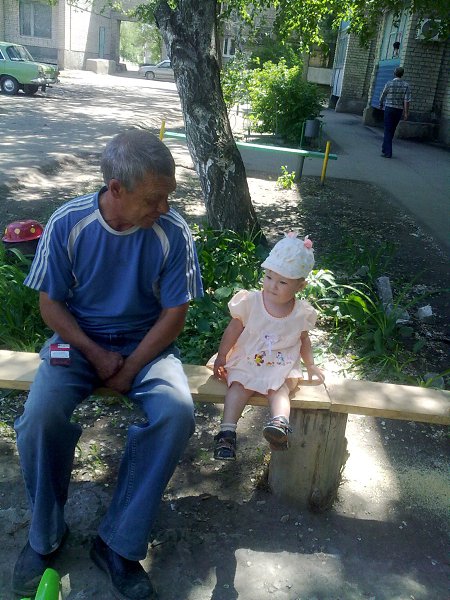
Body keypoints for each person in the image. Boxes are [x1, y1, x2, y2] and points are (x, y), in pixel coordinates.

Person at [12, 129, 203, 600]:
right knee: (39, 416)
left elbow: (174, 314)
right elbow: (51, 305)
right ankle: (45, 536)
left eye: (168, 196)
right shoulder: (68, 222)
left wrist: (131, 366)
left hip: (147, 344)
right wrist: (96, 354)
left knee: (176, 412)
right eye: (154, 198)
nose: (164, 207)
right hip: (77, 342)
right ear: (116, 188)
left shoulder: (173, 231)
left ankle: (118, 543)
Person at [210, 232, 325, 461]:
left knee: (280, 389)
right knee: (238, 386)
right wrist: (222, 355)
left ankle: (279, 424)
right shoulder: (251, 302)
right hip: (248, 359)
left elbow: (304, 340)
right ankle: (227, 433)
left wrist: (310, 365)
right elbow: (233, 329)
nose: (272, 285)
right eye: (269, 277)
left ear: (300, 286)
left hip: (281, 365)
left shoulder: (301, 312)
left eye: (282, 282)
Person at [379, 66, 411, 159]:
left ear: (394, 73)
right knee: (392, 130)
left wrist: (381, 103)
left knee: (387, 130)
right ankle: (384, 148)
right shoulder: (406, 85)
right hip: (398, 110)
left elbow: (383, 94)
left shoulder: (389, 83)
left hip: (389, 108)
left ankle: (388, 152)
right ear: (402, 74)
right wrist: (406, 113)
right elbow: (406, 100)